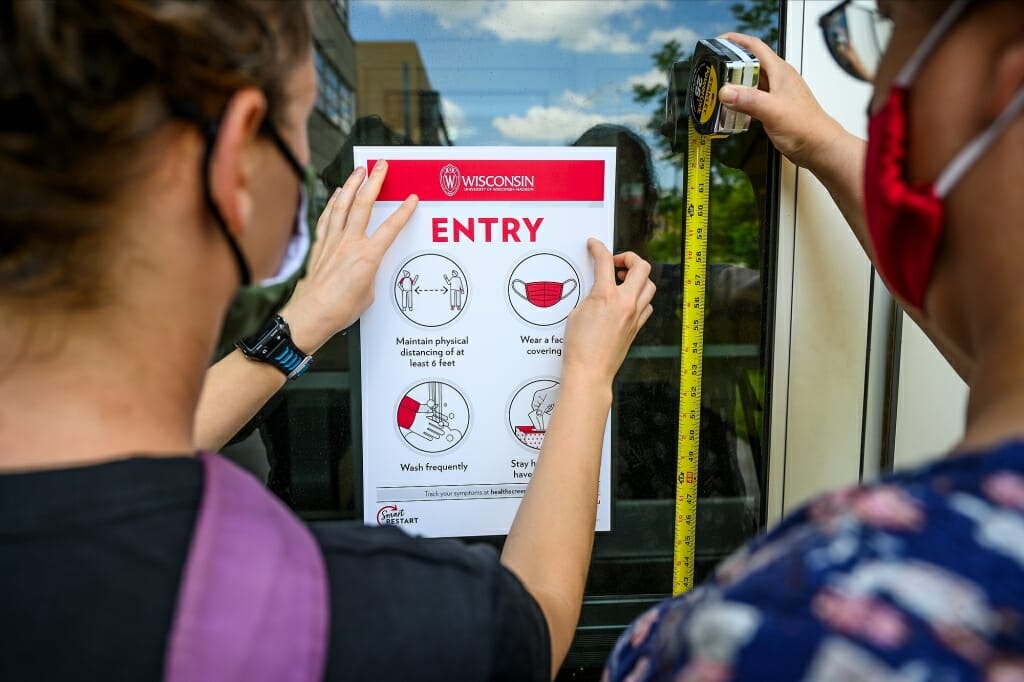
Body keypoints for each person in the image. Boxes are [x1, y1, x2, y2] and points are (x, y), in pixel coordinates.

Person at [0, 2, 656, 681]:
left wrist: (303, 323)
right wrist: (583, 376)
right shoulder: (347, 610)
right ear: (237, 166)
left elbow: (112, 468)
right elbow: (535, 621)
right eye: (301, 126)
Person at [606, 0, 1024, 679]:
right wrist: (822, 144)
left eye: (886, 26)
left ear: (1006, 87)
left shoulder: (808, 630)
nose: (875, 82)